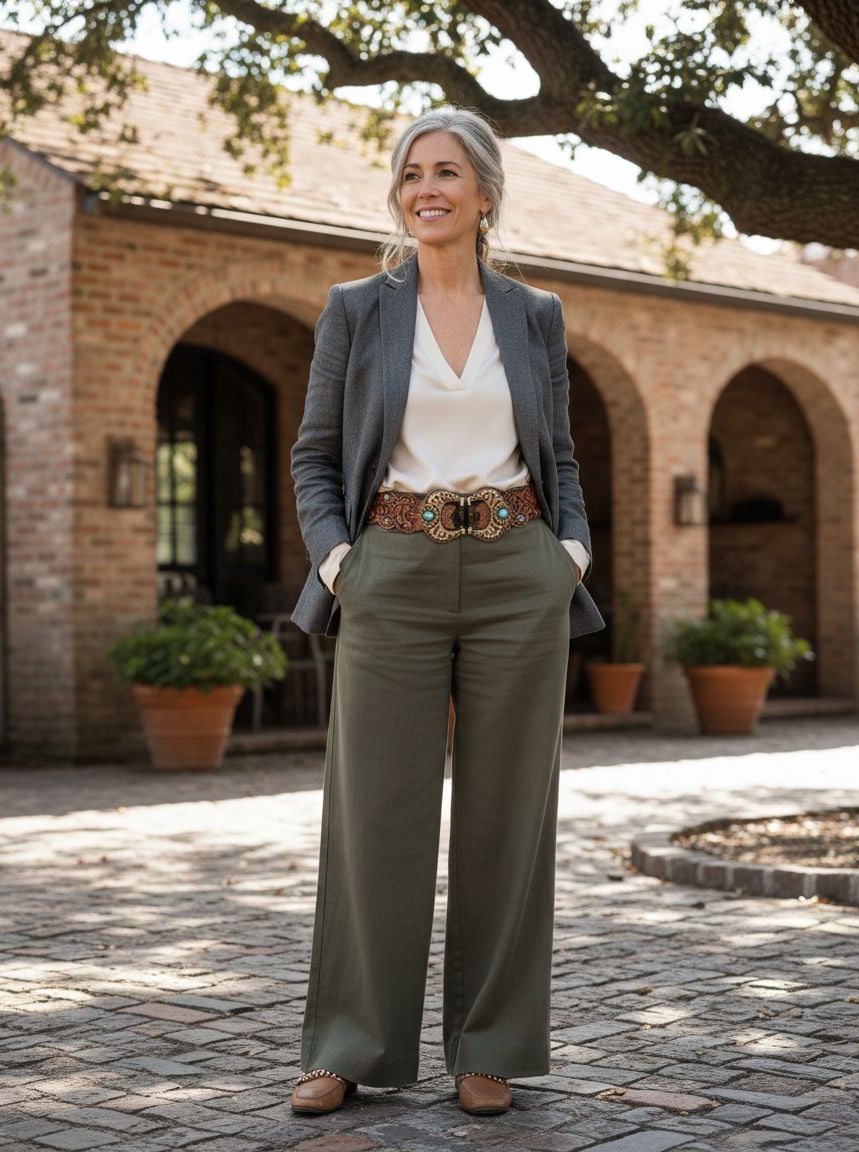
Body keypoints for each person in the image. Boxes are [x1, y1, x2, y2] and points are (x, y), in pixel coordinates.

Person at [289, 105, 605, 1118]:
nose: (425, 189)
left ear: (481, 195)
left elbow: (555, 450)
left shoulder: (533, 312)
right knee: (372, 815)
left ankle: (491, 1045)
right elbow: (313, 455)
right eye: (411, 173)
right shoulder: (356, 308)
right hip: (390, 567)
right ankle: (351, 1043)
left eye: (446, 173)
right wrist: (341, 560)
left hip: (518, 566)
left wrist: (567, 554)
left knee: (508, 816)